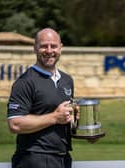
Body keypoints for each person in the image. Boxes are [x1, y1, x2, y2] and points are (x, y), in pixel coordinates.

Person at [7, 28, 79, 168]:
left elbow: (64, 121)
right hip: (33, 158)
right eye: (44, 46)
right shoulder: (25, 82)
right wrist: (54, 117)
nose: (49, 50)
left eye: (53, 46)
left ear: (61, 48)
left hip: (63, 159)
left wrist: (81, 126)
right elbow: (15, 124)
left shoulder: (67, 80)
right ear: (35, 48)